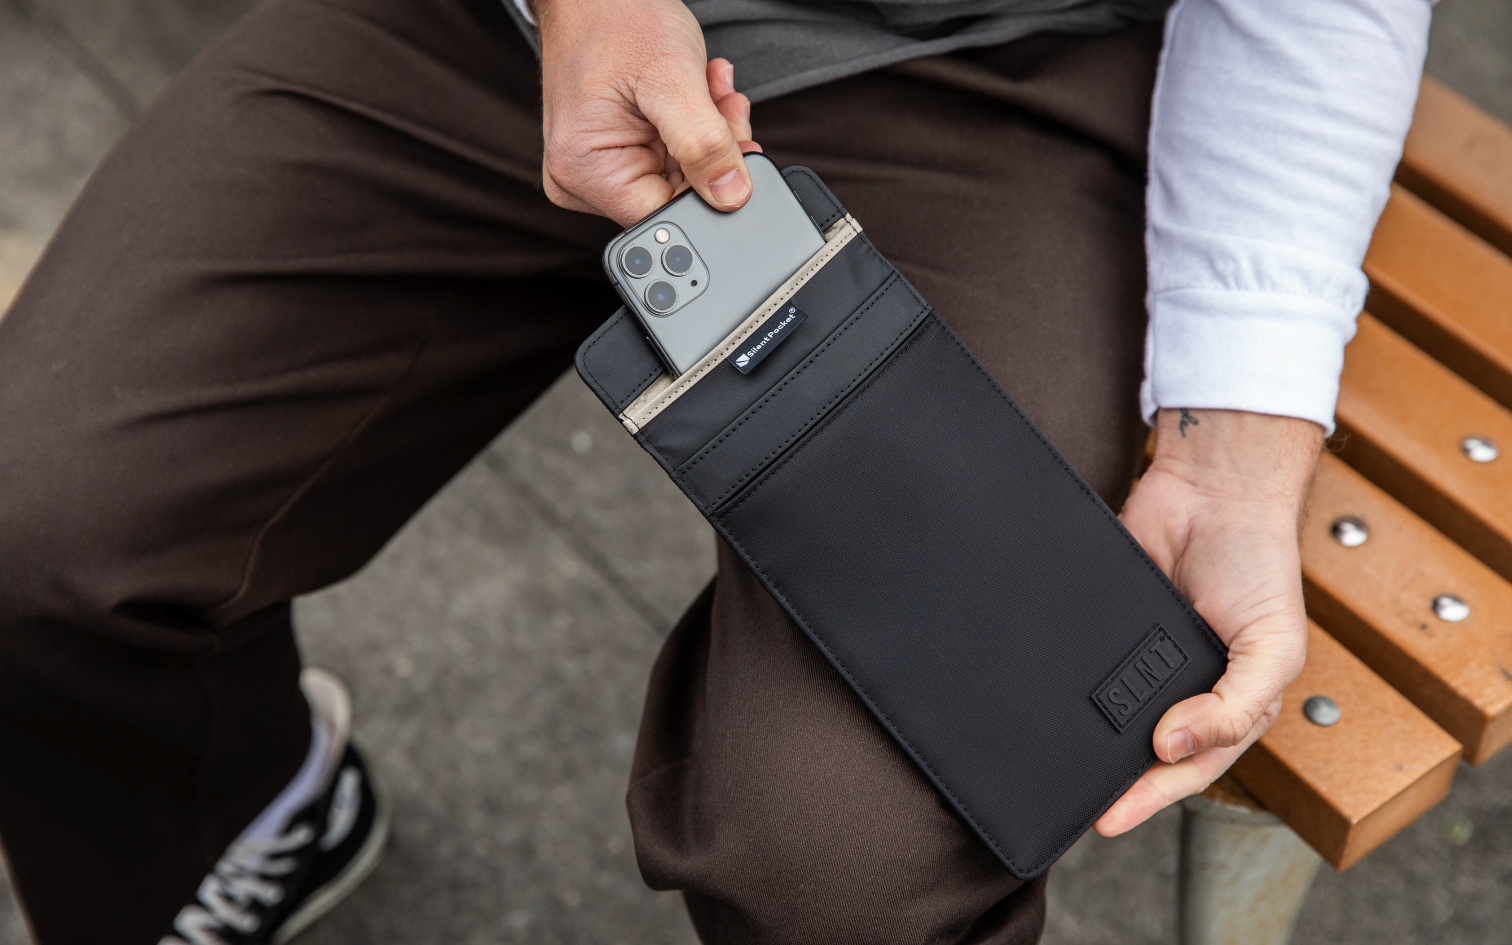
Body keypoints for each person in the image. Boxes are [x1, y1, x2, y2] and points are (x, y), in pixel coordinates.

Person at [0, 0, 1433, 940]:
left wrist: (1237, 440)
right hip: (501, 27)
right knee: (37, 510)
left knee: (843, 871)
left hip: (1006, 60)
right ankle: (241, 816)